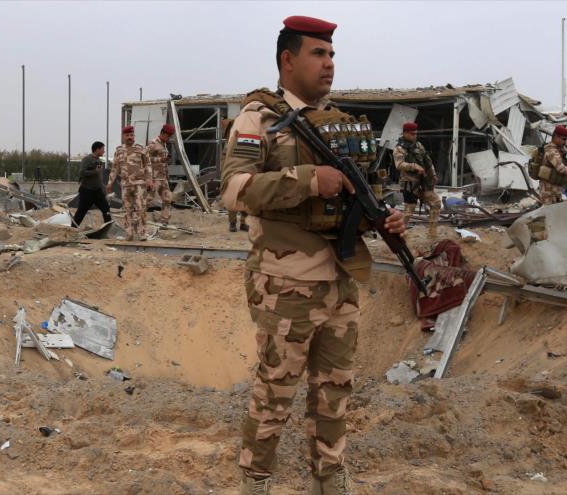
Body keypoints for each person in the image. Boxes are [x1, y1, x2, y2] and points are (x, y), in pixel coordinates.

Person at [219, 16, 406, 495]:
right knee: (275, 392)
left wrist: (383, 218)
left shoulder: (341, 124)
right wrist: (305, 181)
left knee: (335, 391)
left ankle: (330, 477)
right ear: (288, 60)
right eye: (318, 54)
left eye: (332, 55)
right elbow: (233, 191)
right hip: (286, 285)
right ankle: (256, 481)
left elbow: (363, 196)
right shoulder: (258, 119)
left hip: (340, 280)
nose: (329, 64)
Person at [393, 122, 441, 237]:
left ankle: (432, 232)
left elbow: (427, 161)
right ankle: (400, 233)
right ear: (405, 133)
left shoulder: (419, 146)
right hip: (409, 182)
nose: (415, 136)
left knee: (436, 203)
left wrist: (433, 175)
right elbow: (399, 165)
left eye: (416, 134)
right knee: (410, 209)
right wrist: (413, 166)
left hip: (423, 182)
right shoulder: (399, 149)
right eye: (412, 134)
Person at [107, 125, 152, 241]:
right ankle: (129, 233)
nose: (130, 137)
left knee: (140, 208)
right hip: (125, 184)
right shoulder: (119, 150)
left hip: (139, 184)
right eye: (127, 135)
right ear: (123, 137)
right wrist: (110, 182)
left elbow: (148, 165)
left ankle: (142, 233)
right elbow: (115, 168)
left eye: (131, 135)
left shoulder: (141, 148)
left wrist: (149, 179)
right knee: (127, 210)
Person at [72, 141, 112, 228]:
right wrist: (95, 171)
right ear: (97, 149)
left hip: (97, 191)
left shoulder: (98, 160)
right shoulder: (87, 159)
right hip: (87, 191)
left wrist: (104, 188)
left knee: (106, 209)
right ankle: (72, 229)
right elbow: (82, 172)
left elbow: (98, 178)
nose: (103, 151)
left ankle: (107, 228)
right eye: (102, 149)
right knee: (81, 212)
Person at [146, 124, 175, 223]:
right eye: (168, 136)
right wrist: (160, 159)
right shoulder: (153, 143)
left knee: (167, 198)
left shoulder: (164, 144)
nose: (168, 138)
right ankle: (138, 218)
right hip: (154, 177)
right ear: (162, 133)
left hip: (163, 177)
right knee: (148, 199)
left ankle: (164, 221)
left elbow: (164, 161)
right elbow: (145, 159)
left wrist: (166, 161)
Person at [538, 125, 567, 204]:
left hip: (554, 190)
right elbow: (561, 169)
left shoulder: (556, 149)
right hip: (548, 192)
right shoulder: (552, 151)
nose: (565, 142)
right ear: (556, 137)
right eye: (564, 139)